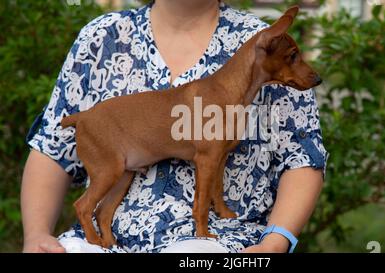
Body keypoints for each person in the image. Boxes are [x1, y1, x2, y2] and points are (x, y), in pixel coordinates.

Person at [21, 0, 328, 253]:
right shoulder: (102, 37)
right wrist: (35, 235)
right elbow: (53, 148)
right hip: (105, 243)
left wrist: (274, 244)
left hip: (223, 244)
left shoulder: (260, 42)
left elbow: (302, 156)